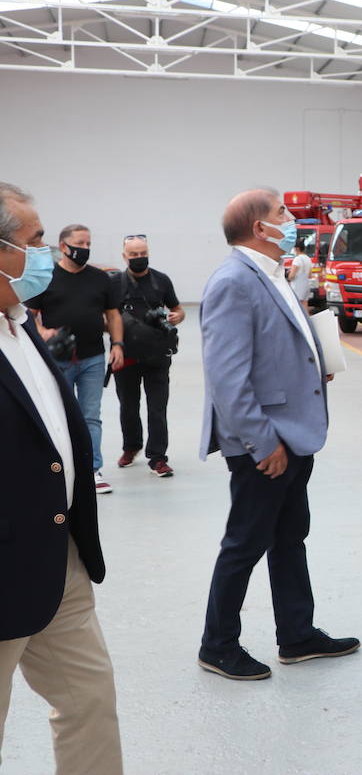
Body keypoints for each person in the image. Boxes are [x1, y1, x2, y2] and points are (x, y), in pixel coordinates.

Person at [198, 188, 358, 681]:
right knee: (245, 543)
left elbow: (276, 342)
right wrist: (262, 444)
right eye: (281, 214)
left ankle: (297, 634)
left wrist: (314, 365)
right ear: (257, 228)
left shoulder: (272, 273)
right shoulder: (233, 281)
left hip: (294, 432)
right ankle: (217, 644)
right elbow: (227, 378)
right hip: (266, 441)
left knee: (290, 536)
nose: (290, 220)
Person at [0, 182, 123, 773]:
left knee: (90, 705)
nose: (46, 253)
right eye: (35, 241)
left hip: (60, 562)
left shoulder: (20, 324)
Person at [26, 223, 124, 494]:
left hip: (93, 358)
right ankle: (66, 468)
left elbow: (113, 314)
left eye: (88, 244)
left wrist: (117, 344)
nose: (85, 249)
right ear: (64, 246)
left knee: (91, 416)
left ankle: (93, 469)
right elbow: (32, 314)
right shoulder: (46, 277)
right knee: (62, 416)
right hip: (58, 360)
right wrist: (44, 332)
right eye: (80, 244)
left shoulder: (100, 278)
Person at [113, 234, 185, 478]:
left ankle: (158, 457)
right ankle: (131, 447)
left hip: (157, 354)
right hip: (126, 355)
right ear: (125, 256)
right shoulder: (115, 284)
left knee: (157, 408)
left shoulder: (161, 281)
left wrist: (177, 317)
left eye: (142, 253)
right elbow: (107, 317)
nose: (139, 258)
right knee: (128, 407)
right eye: (133, 254)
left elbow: (178, 309)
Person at [286, 240, 312, 309]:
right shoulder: (308, 259)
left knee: (297, 306)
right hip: (306, 285)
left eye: (294, 248)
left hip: (297, 286)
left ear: (297, 249)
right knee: (305, 305)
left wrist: (288, 276)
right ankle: (307, 319)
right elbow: (310, 275)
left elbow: (291, 276)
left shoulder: (297, 259)